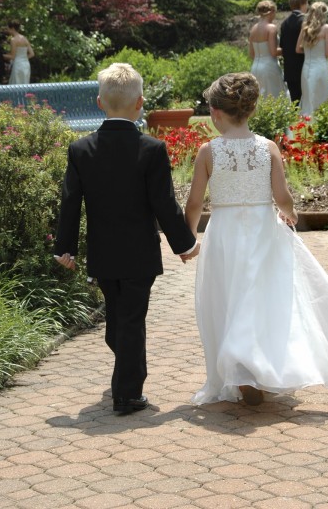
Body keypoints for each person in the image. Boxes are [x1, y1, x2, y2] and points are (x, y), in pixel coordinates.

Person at [184, 72, 328, 407]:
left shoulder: (209, 152)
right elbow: (282, 195)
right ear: (251, 109)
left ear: (215, 113)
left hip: (224, 234)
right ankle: (255, 363)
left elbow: (193, 203)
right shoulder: (268, 148)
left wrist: (188, 239)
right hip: (261, 230)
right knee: (261, 298)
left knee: (227, 297)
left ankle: (241, 366)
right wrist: (289, 214)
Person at [54, 63, 199, 414]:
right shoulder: (151, 148)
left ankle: (126, 379)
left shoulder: (81, 149)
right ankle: (128, 394)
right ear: (141, 103)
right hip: (139, 253)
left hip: (103, 253)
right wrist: (185, 244)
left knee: (121, 319)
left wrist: (65, 248)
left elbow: (70, 202)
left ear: (100, 102)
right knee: (129, 321)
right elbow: (162, 202)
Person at [296, 1, 328, 117]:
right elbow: (327, 53)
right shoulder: (327, 28)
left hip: (307, 67)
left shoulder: (305, 27)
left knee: (308, 96)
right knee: (322, 96)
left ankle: (307, 120)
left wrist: (307, 52)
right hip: (321, 66)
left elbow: (297, 49)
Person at [249, 0, 288, 99]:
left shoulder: (253, 29)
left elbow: (252, 54)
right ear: (271, 12)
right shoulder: (271, 28)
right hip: (269, 67)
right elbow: (273, 52)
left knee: (260, 98)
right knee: (275, 96)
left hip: (255, 68)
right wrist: (288, 49)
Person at [280, 0, 309, 104]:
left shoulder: (284, 23)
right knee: (306, 101)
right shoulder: (305, 21)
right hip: (304, 67)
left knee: (295, 103)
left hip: (289, 69)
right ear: (303, 3)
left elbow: (282, 46)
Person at [4, 19, 34, 84]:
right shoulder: (24, 38)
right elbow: (32, 54)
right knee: (24, 83)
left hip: (18, 64)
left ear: (12, 28)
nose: (8, 30)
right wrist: (23, 59)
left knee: (16, 83)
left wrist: (1, 55)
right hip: (26, 64)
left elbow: (12, 56)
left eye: (8, 28)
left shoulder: (13, 40)